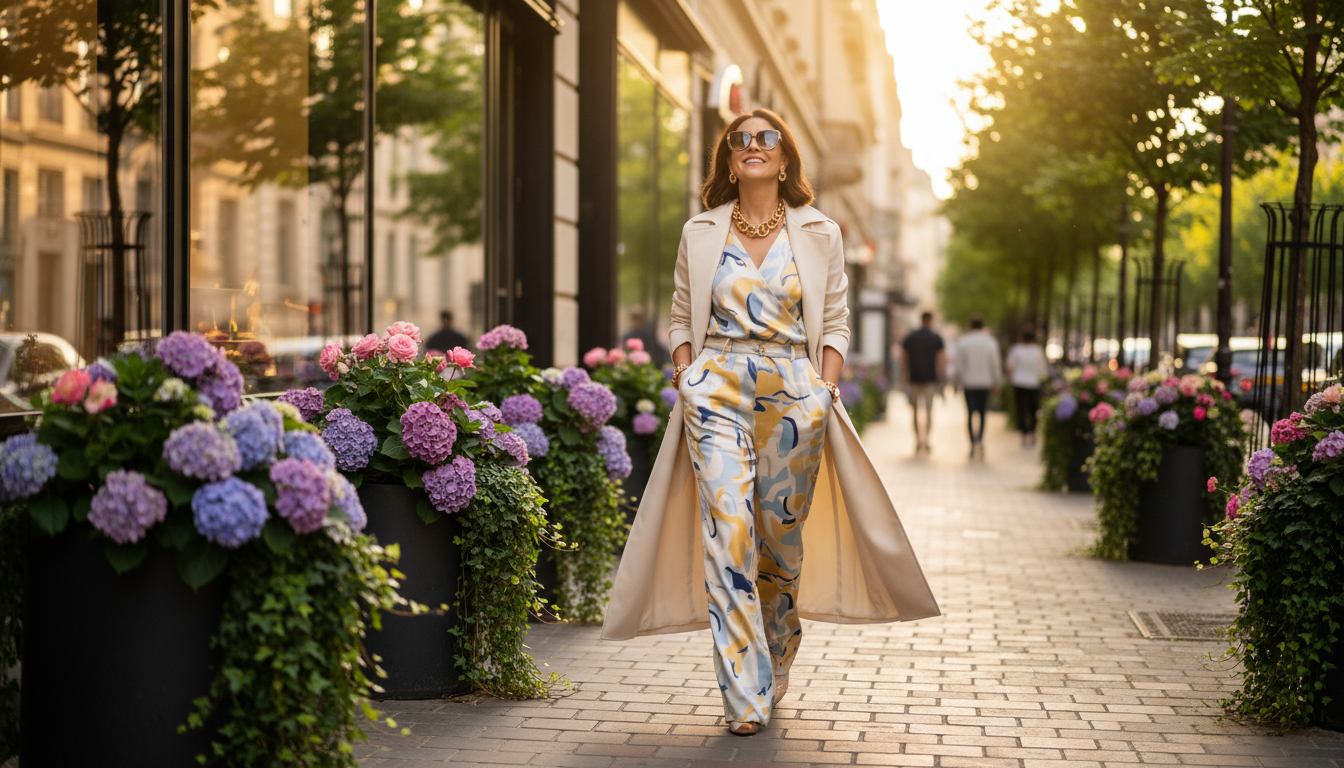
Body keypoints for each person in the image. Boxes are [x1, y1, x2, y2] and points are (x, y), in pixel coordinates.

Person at [600, 108, 939, 737]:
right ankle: (745, 693)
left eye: (767, 139)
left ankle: (778, 642)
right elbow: (681, 314)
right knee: (728, 533)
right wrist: (686, 374)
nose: (753, 146)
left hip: (794, 393)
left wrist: (825, 387)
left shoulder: (820, 232)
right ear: (729, 161)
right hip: (718, 388)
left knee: (779, 543)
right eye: (740, 140)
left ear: (785, 161)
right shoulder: (700, 231)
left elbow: (834, 317)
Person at [953, 314, 1002, 458]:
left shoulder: (964, 342)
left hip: (969, 383)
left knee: (969, 414)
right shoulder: (990, 342)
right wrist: (997, 382)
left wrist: (957, 381)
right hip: (985, 383)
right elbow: (995, 364)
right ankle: (979, 440)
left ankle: (971, 444)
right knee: (982, 414)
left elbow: (959, 365)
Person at [900, 311, 946, 454]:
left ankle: (917, 440)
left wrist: (903, 379)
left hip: (914, 379)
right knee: (928, 411)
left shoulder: (911, 337)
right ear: (930, 320)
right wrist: (942, 378)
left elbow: (904, 359)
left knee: (914, 411)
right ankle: (926, 441)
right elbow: (941, 360)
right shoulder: (936, 338)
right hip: (930, 380)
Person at [1005, 325, 1050, 446]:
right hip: (1033, 383)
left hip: (1019, 383)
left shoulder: (1016, 349)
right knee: (1033, 409)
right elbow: (1042, 368)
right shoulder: (1037, 350)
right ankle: (1033, 432)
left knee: (1021, 409)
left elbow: (1009, 367)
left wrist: (1010, 379)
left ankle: (1024, 433)